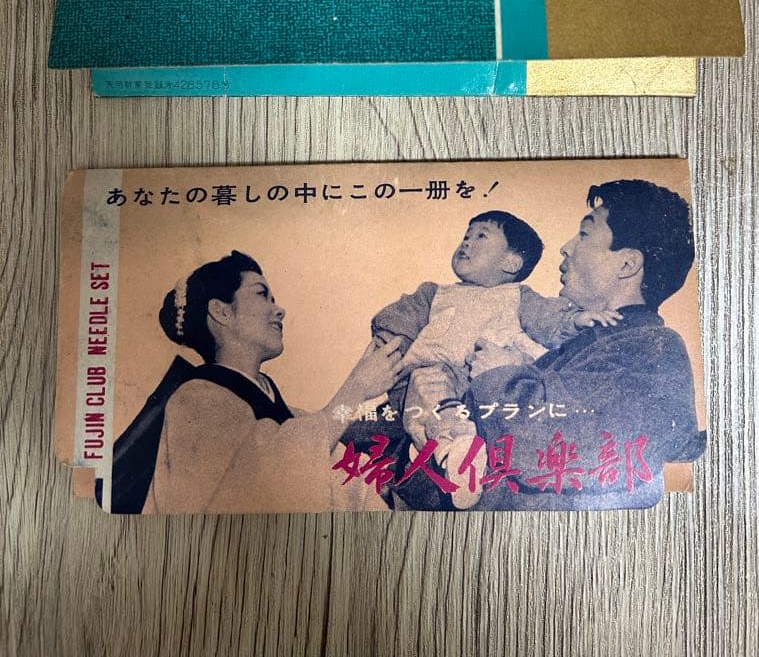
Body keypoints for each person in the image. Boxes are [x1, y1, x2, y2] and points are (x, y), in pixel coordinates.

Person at [461, 180, 706, 510]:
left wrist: (498, 375)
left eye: (585, 234)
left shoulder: (652, 349)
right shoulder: (582, 345)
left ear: (627, 264)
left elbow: (548, 447)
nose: (566, 247)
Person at [111, 250, 404, 514]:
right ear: (221, 312)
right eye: (262, 294)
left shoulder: (289, 413)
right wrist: (356, 388)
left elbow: (341, 472)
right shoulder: (194, 400)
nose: (279, 310)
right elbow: (258, 484)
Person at [370, 210, 621, 508]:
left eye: (481, 236)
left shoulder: (517, 295)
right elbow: (396, 320)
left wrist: (577, 320)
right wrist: (388, 343)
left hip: (482, 386)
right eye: (466, 236)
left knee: (468, 431)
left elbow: (549, 318)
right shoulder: (434, 293)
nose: (467, 242)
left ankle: (461, 462)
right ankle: (455, 459)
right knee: (423, 409)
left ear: (511, 263)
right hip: (430, 378)